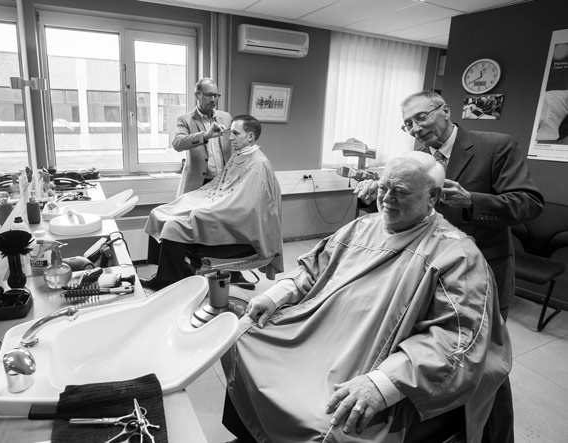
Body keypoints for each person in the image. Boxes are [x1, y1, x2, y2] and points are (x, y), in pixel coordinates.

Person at [221, 151, 511, 443]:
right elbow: (314, 268)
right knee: (243, 337)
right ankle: (252, 434)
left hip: (372, 356)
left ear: (433, 197)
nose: (386, 199)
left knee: (332, 422)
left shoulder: (458, 255)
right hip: (321, 334)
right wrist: (275, 295)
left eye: (400, 192)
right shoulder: (362, 227)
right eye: (383, 188)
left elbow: (455, 338)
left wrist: (384, 382)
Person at [356, 90, 544, 443]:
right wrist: (378, 197)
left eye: (420, 117)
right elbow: (404, 211)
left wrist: (472, 201)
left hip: (480, 274)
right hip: (426, 273)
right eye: (408, 123)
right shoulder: (417, 158)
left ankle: (495, 434)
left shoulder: (494, 146)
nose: (415, 128)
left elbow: (529, 204)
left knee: (485, 362)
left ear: (445, 110)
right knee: (436, 351)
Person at [140, 115, 283, 291]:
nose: (230, 138)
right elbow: (220, 188)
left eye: (235, 133)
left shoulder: (259, 164)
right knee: (161, 211)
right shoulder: (239, 157)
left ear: (250, 137)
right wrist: (195, 201)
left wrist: (207, 209)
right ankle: (172, 271)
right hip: (221, 207)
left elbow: (245, 208)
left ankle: (166, 280)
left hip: (240, 230)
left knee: (174, 225)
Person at [172, 77, 233, 196]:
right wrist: (205, 135)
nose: (213, 99)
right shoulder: (185, 120)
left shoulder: (226, 118)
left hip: (223, 183)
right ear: (197, 95)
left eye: (216, 96)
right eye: (209, 95)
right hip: (198, 184)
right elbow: (177, 144)